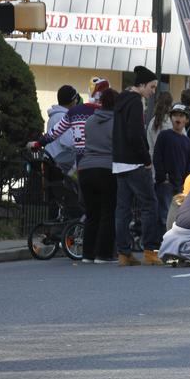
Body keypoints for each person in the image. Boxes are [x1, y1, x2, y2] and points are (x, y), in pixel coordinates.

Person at [113, 65, 163, 266]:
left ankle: (124, 253)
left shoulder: (121, 101)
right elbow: (136, 134)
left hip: (119, 162)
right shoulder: (135, 102)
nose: (153, 92)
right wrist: (146, 159)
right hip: (134, 162)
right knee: (150, 205)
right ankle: (150, 250)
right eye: (151, 87)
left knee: (123, 209)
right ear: (141, 85)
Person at [33, 78, 110, 172]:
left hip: (55, 162)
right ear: (73, 101)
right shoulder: (64, 116)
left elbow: (52, 135)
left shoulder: (56, 115)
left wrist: (38, 144)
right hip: (61, 166)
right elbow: (69, 142)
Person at [78, 87, 119, 264]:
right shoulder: (118, 122)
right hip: (107, 168)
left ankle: (87, 254)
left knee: (92, 213)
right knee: (108, 212)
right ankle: (103, 254)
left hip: (86, 169)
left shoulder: (90, 121)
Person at [152, 103, 190, 234]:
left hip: (180, 185)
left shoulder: (186, 141)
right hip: (166, 183)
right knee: (164, 215)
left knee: (178, 217)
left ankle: (173, 244)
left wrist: (187, 183)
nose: (178, 118)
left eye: (181, 115)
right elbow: (157, 157)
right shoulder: (164, 135)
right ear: (170, 118)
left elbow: (188, 164)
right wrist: (162, 177)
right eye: (175, 115)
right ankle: (161, 243)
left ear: (186, 120)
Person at [45, 84, 80, 173]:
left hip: (52, 164)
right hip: (62, 168)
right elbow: (69, 142)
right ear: (71, 101)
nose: (76, 101)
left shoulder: (54, 116)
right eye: (75, 98)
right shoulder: (63, 117)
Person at [146, 90, 173, 157]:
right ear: (170, 104)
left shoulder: (152, 122)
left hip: (155, 161)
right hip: (170, 161)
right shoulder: (172, 121)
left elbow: (150, 146)